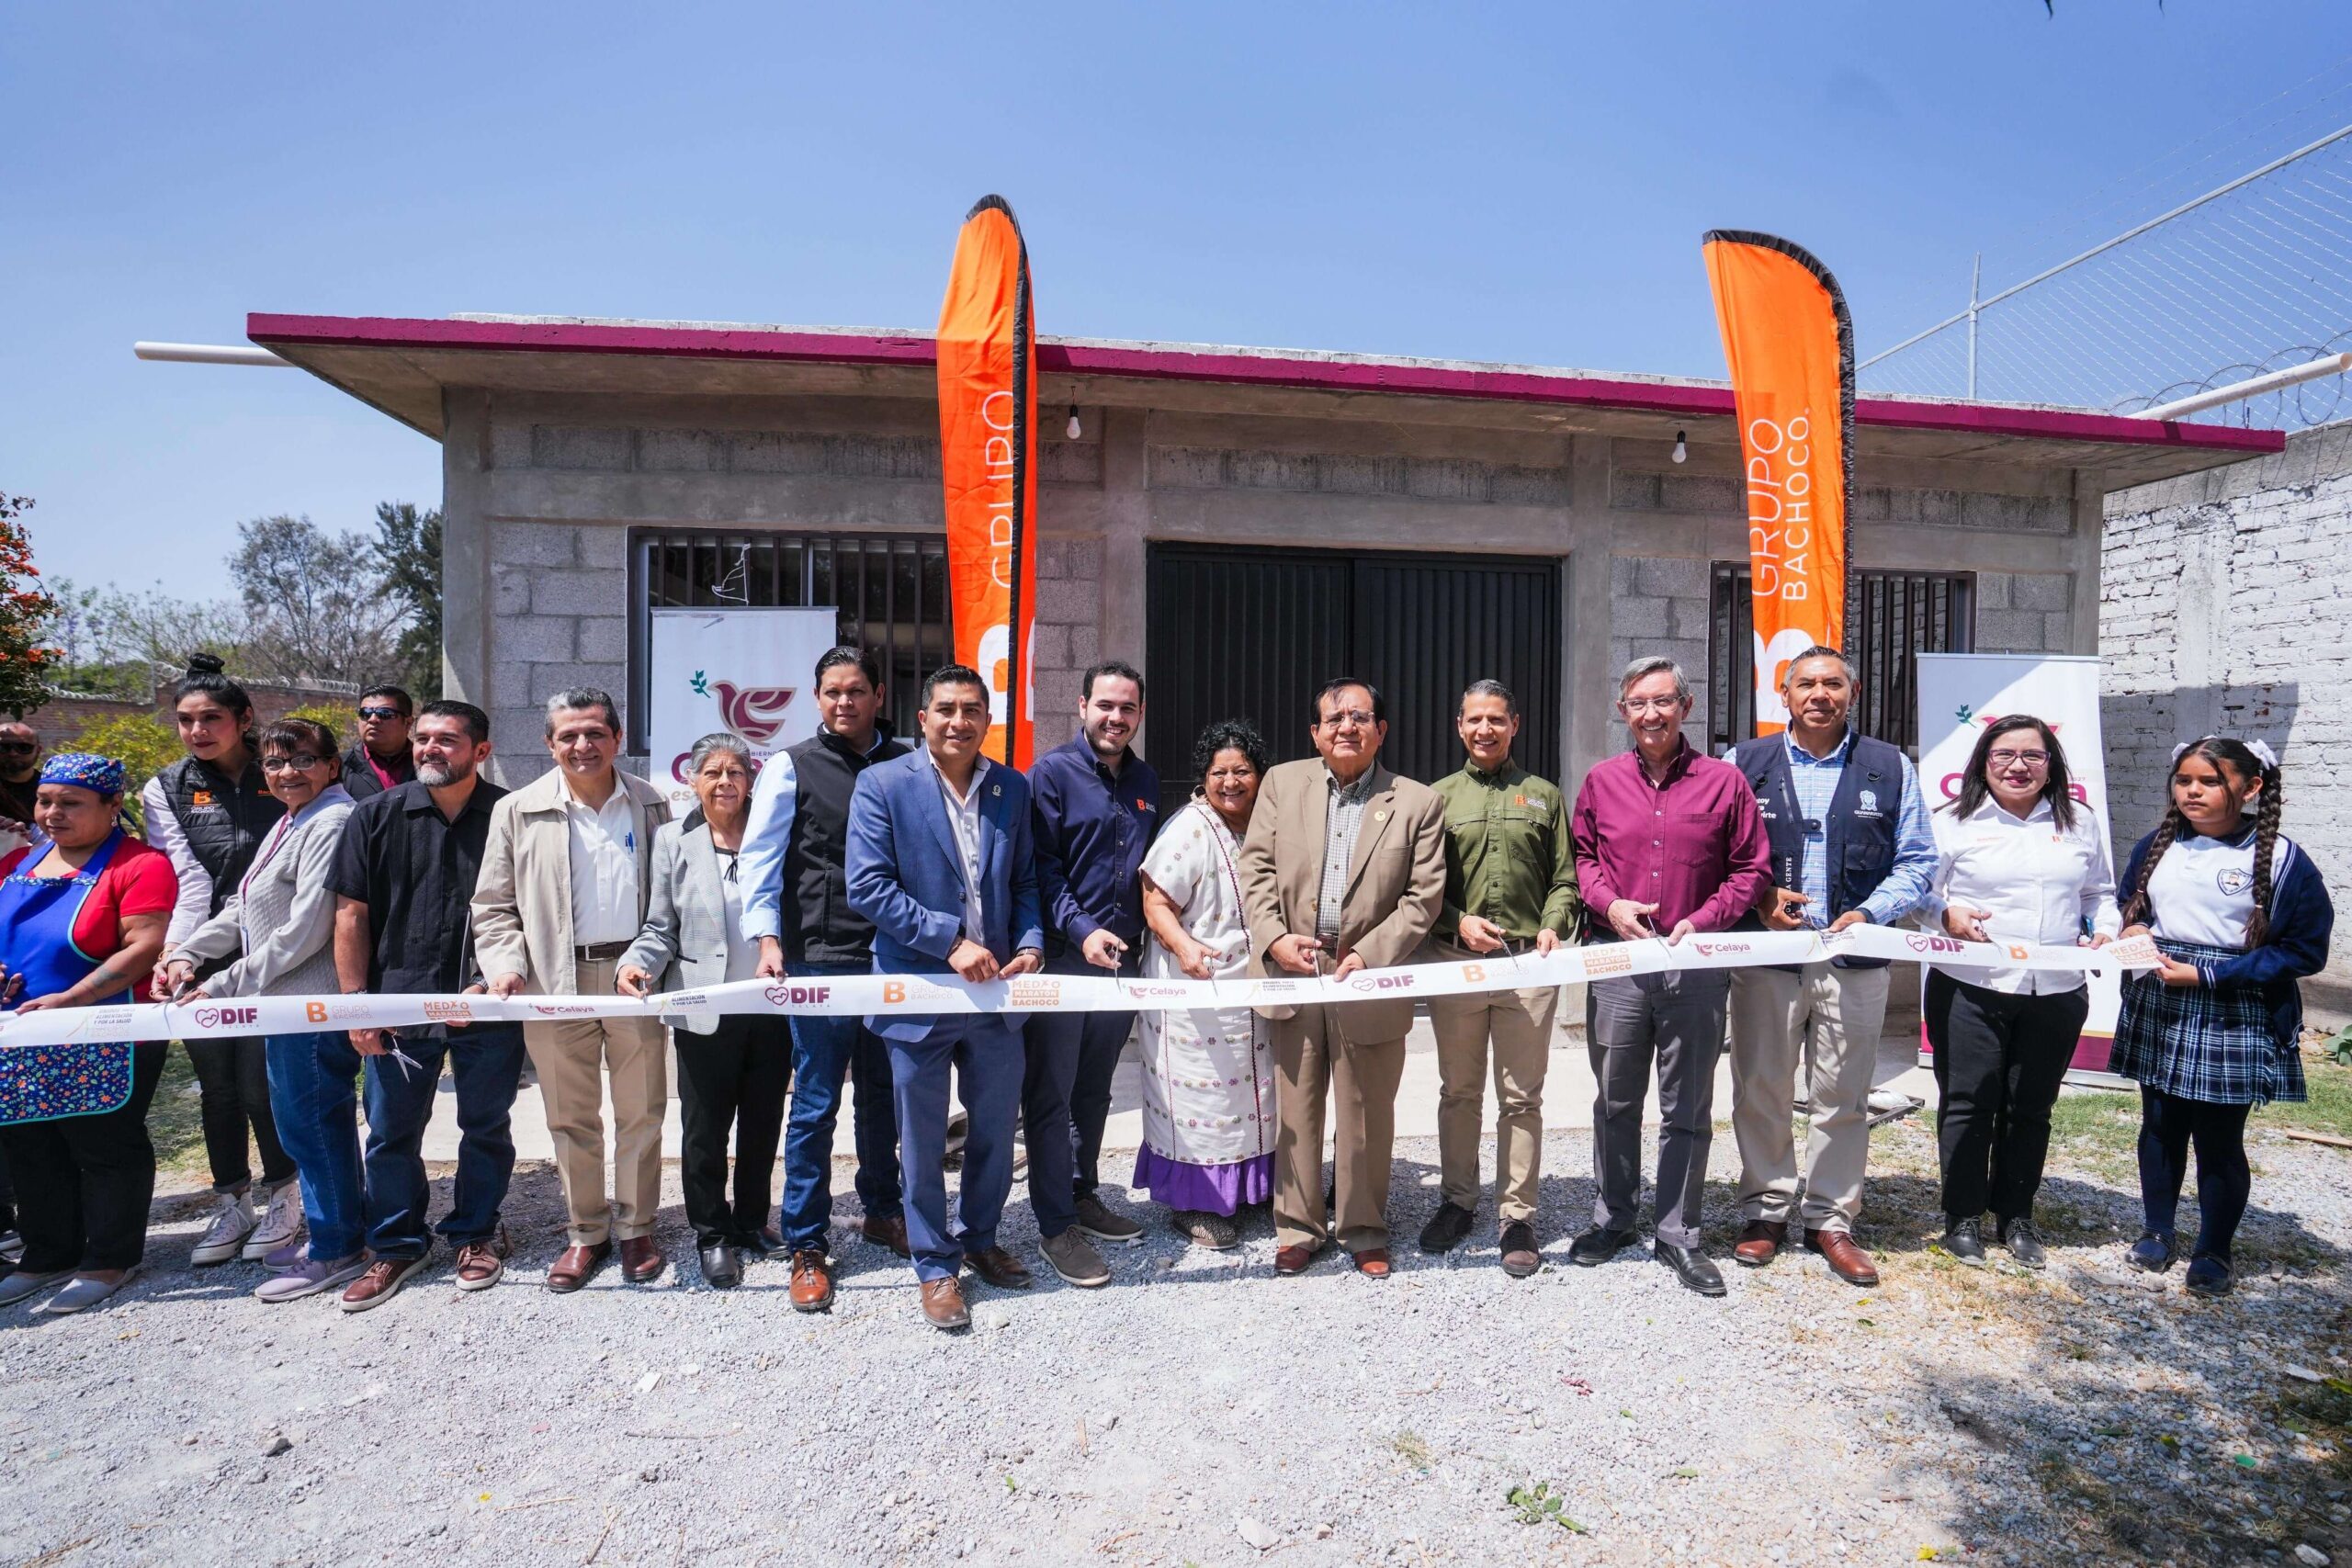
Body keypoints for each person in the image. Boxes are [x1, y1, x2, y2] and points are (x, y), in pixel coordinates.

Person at [1724, 647, 1936, 1289]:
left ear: (1855, 690)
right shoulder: (1742, 763)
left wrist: (1872, 911)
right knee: (1760, 1087)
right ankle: (1766, 1209)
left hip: (1855, 956)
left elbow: (1920, 860)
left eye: (1832, 683)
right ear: (1783, 695)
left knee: (1842, 1095)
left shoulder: (1890, 765)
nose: (1819, 693)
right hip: (1768, 958)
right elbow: (1720, 852)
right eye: (1805, 683)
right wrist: (1759, 899)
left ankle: (1830, 1218)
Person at [843, 663, 1046, 1331]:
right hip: (921, 989)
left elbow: (1024, 881)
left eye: (971, 709)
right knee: (922, 1138)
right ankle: (935, 1264)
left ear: (987, 720)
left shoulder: (1010, 788)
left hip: (995, 995)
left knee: (993, 1126)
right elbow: (868, 887)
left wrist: (1032, 941)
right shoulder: (881, 785)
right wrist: (949, 939)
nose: (958, 720)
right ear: (922, 716)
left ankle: (980, 1236)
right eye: (945, 708)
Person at [1569, 656, 1770, 1296]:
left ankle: (1679, 1232)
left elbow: (1750, 869)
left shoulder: (1724, 783)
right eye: (1637, 702)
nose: (1650, 713)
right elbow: (1583, 858)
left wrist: (1707, 919)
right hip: (1620, 965)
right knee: (1616, 1099)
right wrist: (1610, 904)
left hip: (1696, 967)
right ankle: (1615, 1217)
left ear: (1686, 706)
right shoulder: (1601, 782)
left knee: (1688, 1104)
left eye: (1662, 701)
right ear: (1622, 711)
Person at [1238, 676, 1446, 1280]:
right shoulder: (1282, 784)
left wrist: (1371, 953)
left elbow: (1422, 897)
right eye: (1334, 719)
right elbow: (1255, 868)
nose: (1346, 727)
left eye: (1360, 717)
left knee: (1364, 1113)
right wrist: (1274, 936)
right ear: (1315, 731)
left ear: (1381, 730)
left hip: (1367, 977)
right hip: (1293, 970)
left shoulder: (1415, 802)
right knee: (1296, 1111)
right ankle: (1297, 1227)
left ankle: (1363, 1227)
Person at [2111, 737, 2334, 1296]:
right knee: (2159, 1123)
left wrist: (2210, 975)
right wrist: (2134, 927)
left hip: (2233, 1006)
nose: (2192, 791)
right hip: (2161, 998)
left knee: (2218, 1135)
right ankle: (2158, 1230)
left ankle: (2214, 1248)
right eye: (2184, 780)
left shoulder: (2283, 860)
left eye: (2209, 781)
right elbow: (2129, 904)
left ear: (2251, 787)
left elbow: (2306, 950)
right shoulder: (2156, 847)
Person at [471, 689, 673, 1292]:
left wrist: (648, 958)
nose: (582, 746)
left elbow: (670, 896)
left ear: (616, 737)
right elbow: (493, 906)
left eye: (594, 733)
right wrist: (506, 964)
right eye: (568, 736)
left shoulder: (653, 803)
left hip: (634, 980)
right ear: (549, 743)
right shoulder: (517, 810)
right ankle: (586, 1232)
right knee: (570, 1115)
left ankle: (637, 1227)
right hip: (550, 979)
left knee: (642, 1109)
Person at [328, 700, 527, 1310]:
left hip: (486, 1001)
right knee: (390, 1130)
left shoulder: (511, 817)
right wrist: (357, 1007)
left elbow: (532, 912)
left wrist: (491, 979)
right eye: (423, 739)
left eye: (447, 739)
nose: (430, 749)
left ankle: (476, 1232)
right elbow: (351, 913)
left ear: (481, 751)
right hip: (396, 1005)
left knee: (485, 1125)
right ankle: (396, 1244)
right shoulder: (373, 815)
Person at [164, 718, 361, 1303]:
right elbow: (243, 909)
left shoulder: (332, 820)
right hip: (280, 1004)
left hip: (308, 1004)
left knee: (313, 1127)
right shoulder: (293, 819)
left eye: (301, 759)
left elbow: (305, 930)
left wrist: (223, 984)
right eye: (274, 763)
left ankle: (337, 1249)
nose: (285, 772)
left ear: (331, 766)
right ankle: (340, 1230)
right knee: (307, 1127)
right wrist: (188, 952)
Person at [741, 646, 910, 1313]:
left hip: (895, 956)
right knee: (814, 1103)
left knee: (883, 1094)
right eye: (832, 691)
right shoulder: (791, 766)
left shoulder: (905, 762)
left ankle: (882, 1208)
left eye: (856, 690)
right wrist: (768, 939)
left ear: (879, 694)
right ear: (817, 699)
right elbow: (762, 857)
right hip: (819, 955)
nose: (844, 701)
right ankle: (807, 1242)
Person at [1924, 715, 2119, 1268]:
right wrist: (1948, 915)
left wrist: (2103, 925)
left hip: (2057, 989)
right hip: (1971, 986)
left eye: (2032, 756)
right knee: (1968, 1102)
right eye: (2003, 755)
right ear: (1983, 763)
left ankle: (2016, 1213)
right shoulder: (1951, 822)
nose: (2018, 766)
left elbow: (2098, 891)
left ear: (2051, 764)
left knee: (2031, 1107)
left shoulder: (2079, 820)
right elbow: (1922, 895)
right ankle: (1961, 1215)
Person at [0, 753, 176, 1314]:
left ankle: (109, 1256)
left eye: (70, 803)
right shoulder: (19, 863)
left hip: (104, 1025)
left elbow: (144, 944)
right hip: (23, 1030)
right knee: (31, 1142)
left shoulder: (139, 864)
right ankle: (48, 1252)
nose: (53, 813)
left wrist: (74, 998)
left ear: (110, 806)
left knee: (103, 1143)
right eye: (45, 801)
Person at [1417, 680, 1580, 1278]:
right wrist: (1460, 924)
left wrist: (1553, 925)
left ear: (1516, 724)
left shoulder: (1543, 796)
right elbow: (1421, 888)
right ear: (1459, 726)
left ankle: (1518, 1216)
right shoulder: (1436, 799)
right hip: (1456, 964)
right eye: (1473, 719)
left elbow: (1566, 878)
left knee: (1521, 1097)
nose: (1484, 729)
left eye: (1496, 719)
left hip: (1527, 970)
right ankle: (1458, 1201)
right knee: (1458, 1090)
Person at [141, 655, 300, 1269]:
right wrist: (178, 955)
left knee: (262, 1087)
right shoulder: (166, 786)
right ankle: (232, 1198)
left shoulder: (282, 768)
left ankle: (285, 1192)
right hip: (203, 951)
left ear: (244, 719)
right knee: (219, 1088)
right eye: (185, 719)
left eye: (211, 718)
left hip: (278, 949)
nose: (197, 730)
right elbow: (183, 877)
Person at [619, 733, 791, 1291]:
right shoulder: (674, 840)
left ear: (751, 780)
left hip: (769, 1006)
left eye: (736, 772)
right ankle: (713, 1235)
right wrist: (636, 964)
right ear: (693, 781)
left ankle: (750, 1221)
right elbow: (659, 927)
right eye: (712, 772)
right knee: (705, 1129)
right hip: (703, 1009)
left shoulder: (773, 834)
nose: (725, 782)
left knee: (764, 1122)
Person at [1023, 660, 1159, 1272]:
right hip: (1064, 962)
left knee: (1095, 1090)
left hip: (1121, 964)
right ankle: (1054, 1225)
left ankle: (1082, 1193)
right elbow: (1041, 871)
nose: (1116, 717)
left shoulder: (1146, 779)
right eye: (1106, 705)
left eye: (1127, 708)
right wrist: (1083, 931)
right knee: (1050, 1094)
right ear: (1082, 707)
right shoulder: (1050, 774)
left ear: (1139, 715)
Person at [1136, 720, 1276, 1249]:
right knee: (1203, 1106)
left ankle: (1251, 1192)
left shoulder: (1262, 826)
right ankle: (1194, 1203)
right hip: (1196, 995)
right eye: (1220, 772)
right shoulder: (1188, 829)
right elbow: (1155, 903)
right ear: (1204, 778)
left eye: (1242, 771)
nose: (1231, 782)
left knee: (1254, 1100)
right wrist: (1185, 947)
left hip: (1250, 992)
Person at [339, 685, 418, 801]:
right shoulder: (339, 766)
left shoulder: (427, 764)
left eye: (384, 713)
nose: (372, 719)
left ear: (408, 723)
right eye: (365, 713)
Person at [0, 719, 43, 842]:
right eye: (4, 747)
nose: (13, 753)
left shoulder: (51, 788)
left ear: (38, 750)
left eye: (24, 747)